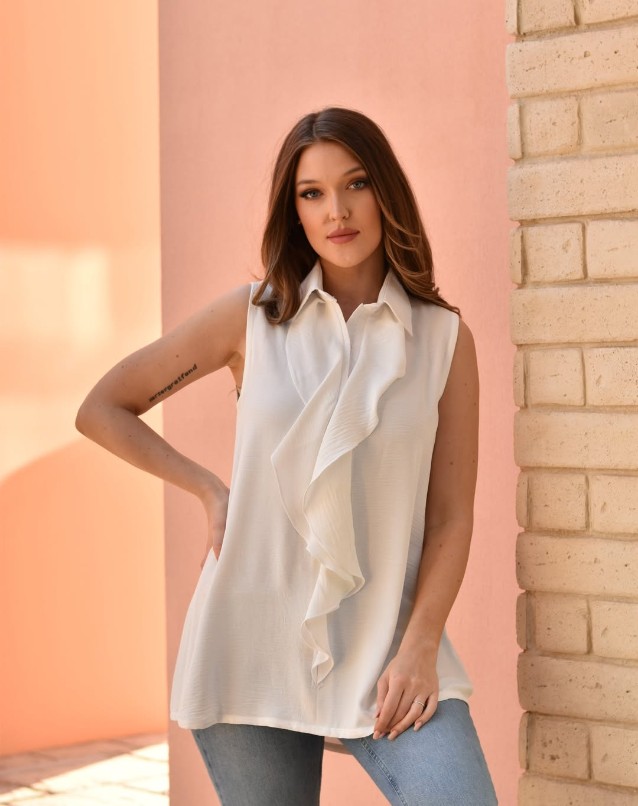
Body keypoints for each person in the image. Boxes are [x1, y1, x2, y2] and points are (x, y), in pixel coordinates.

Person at [76, 106, 498, 805]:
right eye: (312, 192)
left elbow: (451, 517)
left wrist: (421, 645)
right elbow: (103, 407)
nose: (337, 210)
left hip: (388, 645)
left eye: (356, 183)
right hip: (251, 641)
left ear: (386, 192)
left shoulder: (444, 341)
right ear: (293, 210)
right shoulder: (253, 318)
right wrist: (209, 489)